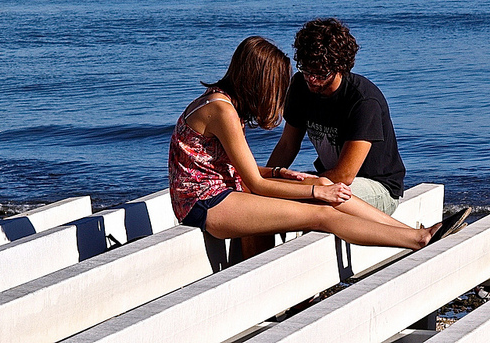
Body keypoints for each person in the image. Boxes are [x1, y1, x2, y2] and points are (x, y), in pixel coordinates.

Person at [168, 36, 468, 249]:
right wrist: (312, 190)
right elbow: (253, 184)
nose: (279, 91)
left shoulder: (220, 104)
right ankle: (418, 239)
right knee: (322, 211)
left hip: (216, 195)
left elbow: (221, 168)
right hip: (205, 203)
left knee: (323, 191)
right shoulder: (222, 110)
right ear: (257, 79)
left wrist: (278, 173)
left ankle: (421, 233)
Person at [267, 18, 404, 214]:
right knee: (268, 198)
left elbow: (345, 175)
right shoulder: (300, 86)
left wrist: (302, 187)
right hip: (328, 179)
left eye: (321, 74)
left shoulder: (363, 101)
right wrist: (265, 182)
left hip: (378, 187)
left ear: (340, 67)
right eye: (306, 71)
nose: (311, 80)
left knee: (312, 199)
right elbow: (287, 145)